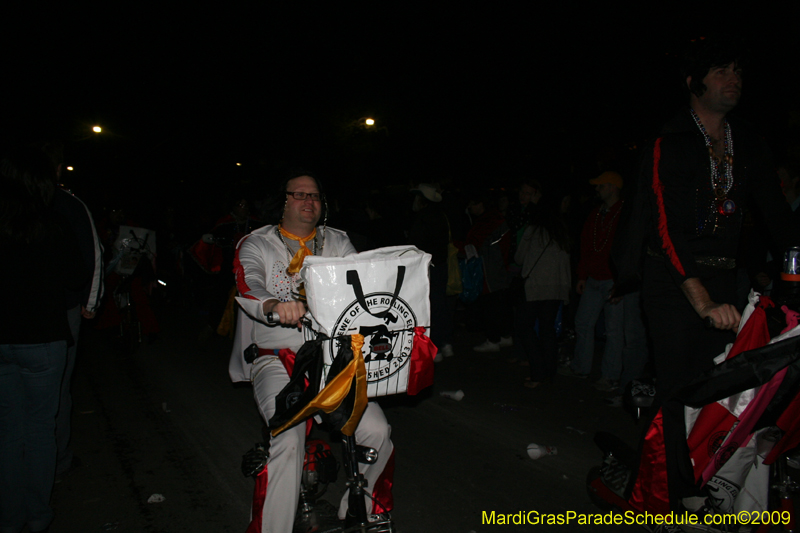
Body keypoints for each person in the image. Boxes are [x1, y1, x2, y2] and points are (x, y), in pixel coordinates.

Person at [629, 36, 796, 512]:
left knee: (728, 389)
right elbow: (666, 230)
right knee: (680, 389)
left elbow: (778, 217)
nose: (734, 80)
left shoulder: (748, 143)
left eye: (738, 71)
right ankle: (665, 496)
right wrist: (701, 301)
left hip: (728, 282)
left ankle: (709, 482)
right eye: (721, 71)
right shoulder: (671, 141)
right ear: (693, 82)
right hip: (674, 283)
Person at [230, 171, 394, 533]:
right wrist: (274, 304)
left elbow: (361, 284)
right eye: (300, 195)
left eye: (316, 196)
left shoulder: (337, 240)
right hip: (276, 358)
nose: (310, 202)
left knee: (378, 430)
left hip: (330, 361)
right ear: (283, 201)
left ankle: (359, 511)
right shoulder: (255, 243)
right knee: (288, 440)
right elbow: (248, 284)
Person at [0, 146, 88, 533]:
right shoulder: (53, 224)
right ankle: (36, 515)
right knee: (39, 429)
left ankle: (8, 516)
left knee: (7, 430)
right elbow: (75, 277)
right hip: (44, 339)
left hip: (3, 339)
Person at [42, 142, 104, 477]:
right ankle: (52, 461)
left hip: (58, 310)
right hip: (58, 313)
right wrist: (89, 303)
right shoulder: (65, 205)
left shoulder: (68, 205)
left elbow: (91, 254)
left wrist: (90, 301)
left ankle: (53, 459)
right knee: (54, 390)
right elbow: (90, 258)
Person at [560, 171, 625, 393]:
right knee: (583, 323)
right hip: (593, 280)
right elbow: (585, 246)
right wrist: (582, 276)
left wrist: (622, 281)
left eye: (601, 186)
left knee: (614, 330)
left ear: (613, 187)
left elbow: (627, 250)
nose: (597, 190)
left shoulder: (624, 213)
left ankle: (610, 376)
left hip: (612, 281)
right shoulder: (596, 214)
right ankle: (581, 367)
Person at [514, 193, 571, 388]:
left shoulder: (534, 230)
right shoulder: (562, 231)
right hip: (557, 288)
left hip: (536, 286)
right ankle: (549, 372)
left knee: (524, 325)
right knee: (548, 329)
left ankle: (538, 371)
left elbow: (519, 258)